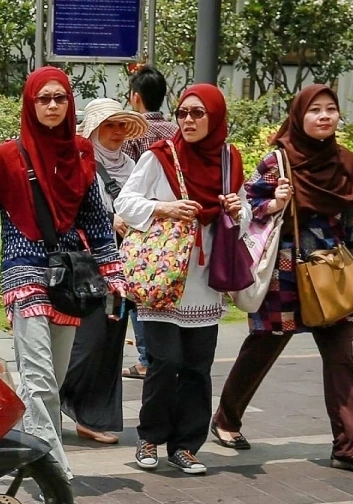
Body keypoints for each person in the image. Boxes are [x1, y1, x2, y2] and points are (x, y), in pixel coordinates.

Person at [0, 68, 125, 479]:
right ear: (30, 105)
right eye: (43, 99)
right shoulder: (5, 157)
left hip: (69, 280)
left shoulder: (82, 154)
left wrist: (115, 279)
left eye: (59, 98)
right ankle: (53, 468)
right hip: (23, 272)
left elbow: (99, 224)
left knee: (54, 378)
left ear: (70, 104)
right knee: (37, 377)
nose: (51, 106)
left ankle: (23, 445)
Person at [212, 84, 353, 474]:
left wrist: (346, 264)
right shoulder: (277, 162)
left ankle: (349, 447)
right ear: (298, 116)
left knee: (341, 357)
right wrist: (276, 203)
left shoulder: (348, 165)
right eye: (315, 110)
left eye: (331, 109)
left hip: (329, 271)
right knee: (263, 346)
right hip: (283, 271)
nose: (324, 116)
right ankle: (226, 419)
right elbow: (248, 208)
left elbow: (351, 226)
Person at [115, 84, 249, 475]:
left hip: (205, 280)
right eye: (182, 113)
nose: (187, 120)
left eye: (197, 113)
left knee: (197, 366)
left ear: (216, 117)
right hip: (162, 274)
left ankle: (187, 446)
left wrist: (239, 209)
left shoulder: (228, 160)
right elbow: (126, 202)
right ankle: (149, 438)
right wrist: (165, 207)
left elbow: (242, 221)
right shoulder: (161, 157)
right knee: (165, 361)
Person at [60, 98, 147, 445]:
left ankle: (90, 416)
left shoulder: (135, 166)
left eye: (121, 125)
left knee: (112, 340)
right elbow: (66, 212)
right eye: (110, 125)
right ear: (94, 129)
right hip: (89, 263)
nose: (116, 133)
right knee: (88, 340)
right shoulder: (79, 165)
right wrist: (107, 220)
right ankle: (40, 398)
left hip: (126, 263)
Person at [121, 66, 179, 381]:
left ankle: (146, 358)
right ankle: (160, 352)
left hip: (141, 222)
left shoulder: (133, 133)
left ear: (135, 97)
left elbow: (129, 185)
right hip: (174, 225)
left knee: (138, 290)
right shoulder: (175, 131)